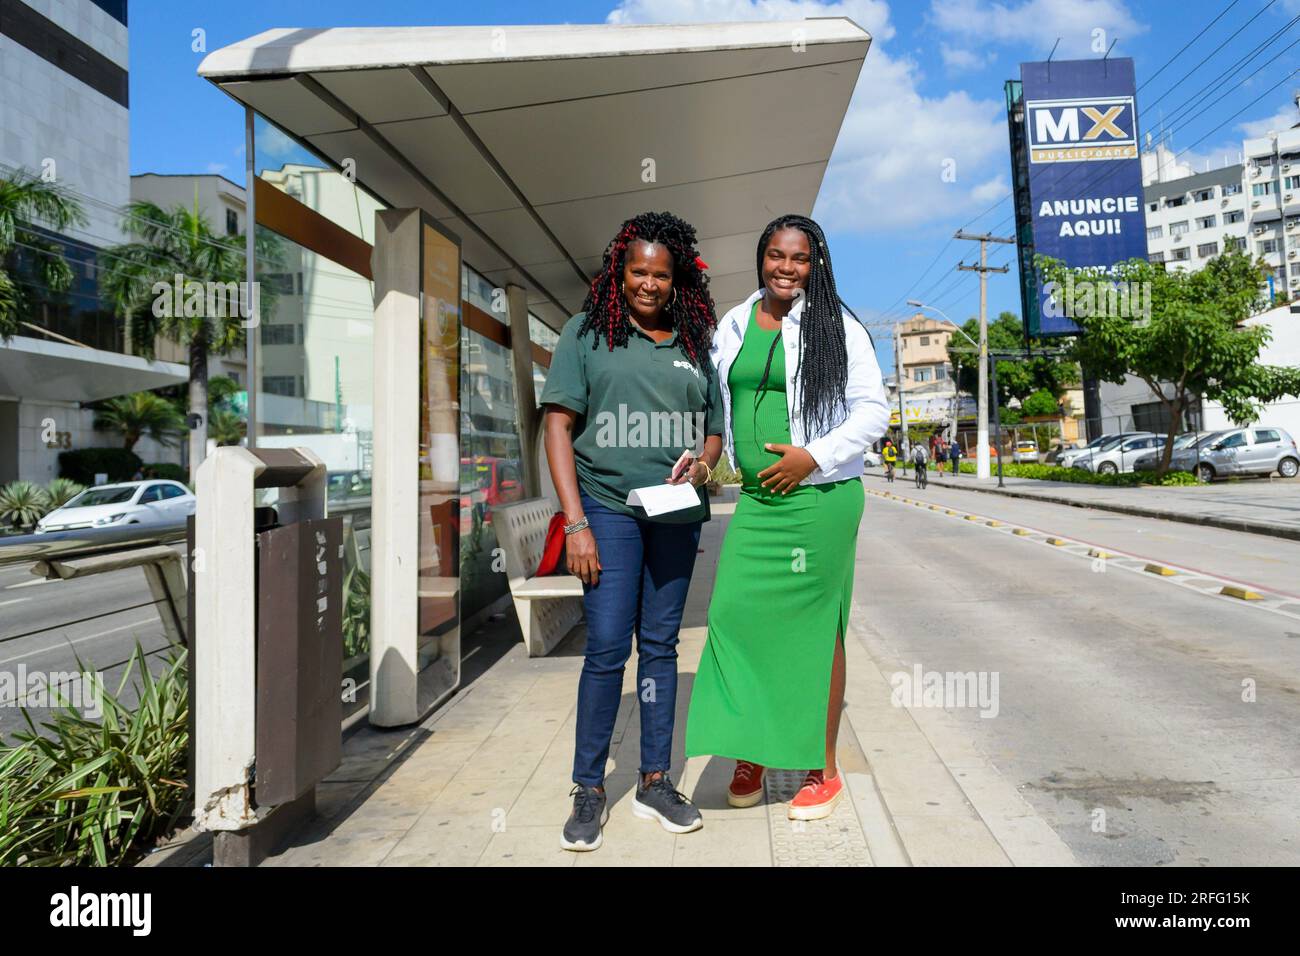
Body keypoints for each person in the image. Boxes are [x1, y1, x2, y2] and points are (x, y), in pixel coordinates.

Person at [685, 214, 889, 821]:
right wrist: (705, 459)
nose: (787, 267)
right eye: (777, 255)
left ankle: (821, 769)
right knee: (734, 616)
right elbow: (719, 404)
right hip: (758, 500)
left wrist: (812, 456)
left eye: (800, 258)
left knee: (816, 630)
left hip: (819, 500)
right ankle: (755, 748)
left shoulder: (839, 327)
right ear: (762, 258)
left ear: (816, 264)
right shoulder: (735, 322)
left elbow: (873, 411)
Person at [540, 211, 725, 852]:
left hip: (674, 512)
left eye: (661, 275)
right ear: (619, 273)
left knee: (662, 647)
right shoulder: (586, 334)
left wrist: (703, 465)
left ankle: (653, 780)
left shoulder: (695, 343)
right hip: (607, 508)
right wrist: (576, 524)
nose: (649, 284)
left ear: (678, 281)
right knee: (607, 647)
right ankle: (589, 787)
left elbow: (713, 432)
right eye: (639, 272)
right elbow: (558, 427)